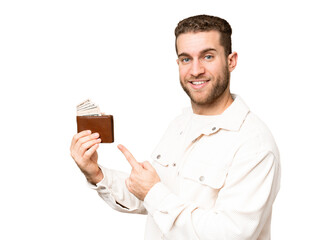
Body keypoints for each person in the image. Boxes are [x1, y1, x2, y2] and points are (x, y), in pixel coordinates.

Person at [70, 14, 281, 240]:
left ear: (231, 61)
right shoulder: (180, 124)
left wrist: (153, 192)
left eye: (208, 56)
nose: (196, 70)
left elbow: (229, 234)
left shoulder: (253, 144)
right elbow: (152, 202)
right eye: (186, 59)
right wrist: (96, 173)